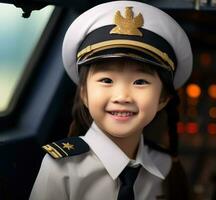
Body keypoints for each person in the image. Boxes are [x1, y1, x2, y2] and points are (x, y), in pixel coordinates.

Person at [30, 1, 193, 200]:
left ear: (163, 98)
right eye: (106, 80)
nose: (122, 97)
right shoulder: (62, 167)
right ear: (84, 93)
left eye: (140, 81)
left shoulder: (165, 165)